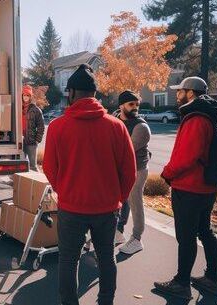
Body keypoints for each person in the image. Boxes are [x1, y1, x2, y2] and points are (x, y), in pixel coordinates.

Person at [43, 64, 136, 305]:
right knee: (107, 258)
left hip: (72, 207)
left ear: (71, 93)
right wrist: (117, 198)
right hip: (106, 208)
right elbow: (129, 172)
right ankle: (106, 301)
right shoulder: (117, 127)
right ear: (95, 95)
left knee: (68, 260)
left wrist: (65, 191)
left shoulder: (56, 127)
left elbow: (49, 168)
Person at [154, 76, 217, 300]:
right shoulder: (213, 115)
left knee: (186, 238)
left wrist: (167, 174)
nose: (177, 95)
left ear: (191, 93)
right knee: (205, 231)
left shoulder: (196, 119)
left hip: (190, 188)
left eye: (180, 91)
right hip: (207, 187)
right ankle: (213, 279)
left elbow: (187, 157)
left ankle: (181, 283)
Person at [115, 90, 151, 254]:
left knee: (135, 202)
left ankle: (137, 239)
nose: (135, 107)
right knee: (121, 200)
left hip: (138, 169)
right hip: (120, 169)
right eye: (131, 104)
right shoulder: (116, 120)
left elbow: (125, 151)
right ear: (121, 105)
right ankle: (118, 232)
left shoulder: (141, 127)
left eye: (137, 104)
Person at [22, 85, 45, 171]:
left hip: (31, 141)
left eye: (28, 95)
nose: (26, 97)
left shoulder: (36, 110)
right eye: (24, 95)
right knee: (21, 165)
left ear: (31, 96)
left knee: (33, 166)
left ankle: (36, 183)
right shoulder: (18, 108)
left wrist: (37, 140)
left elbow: (41, 126)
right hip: (20, 141)